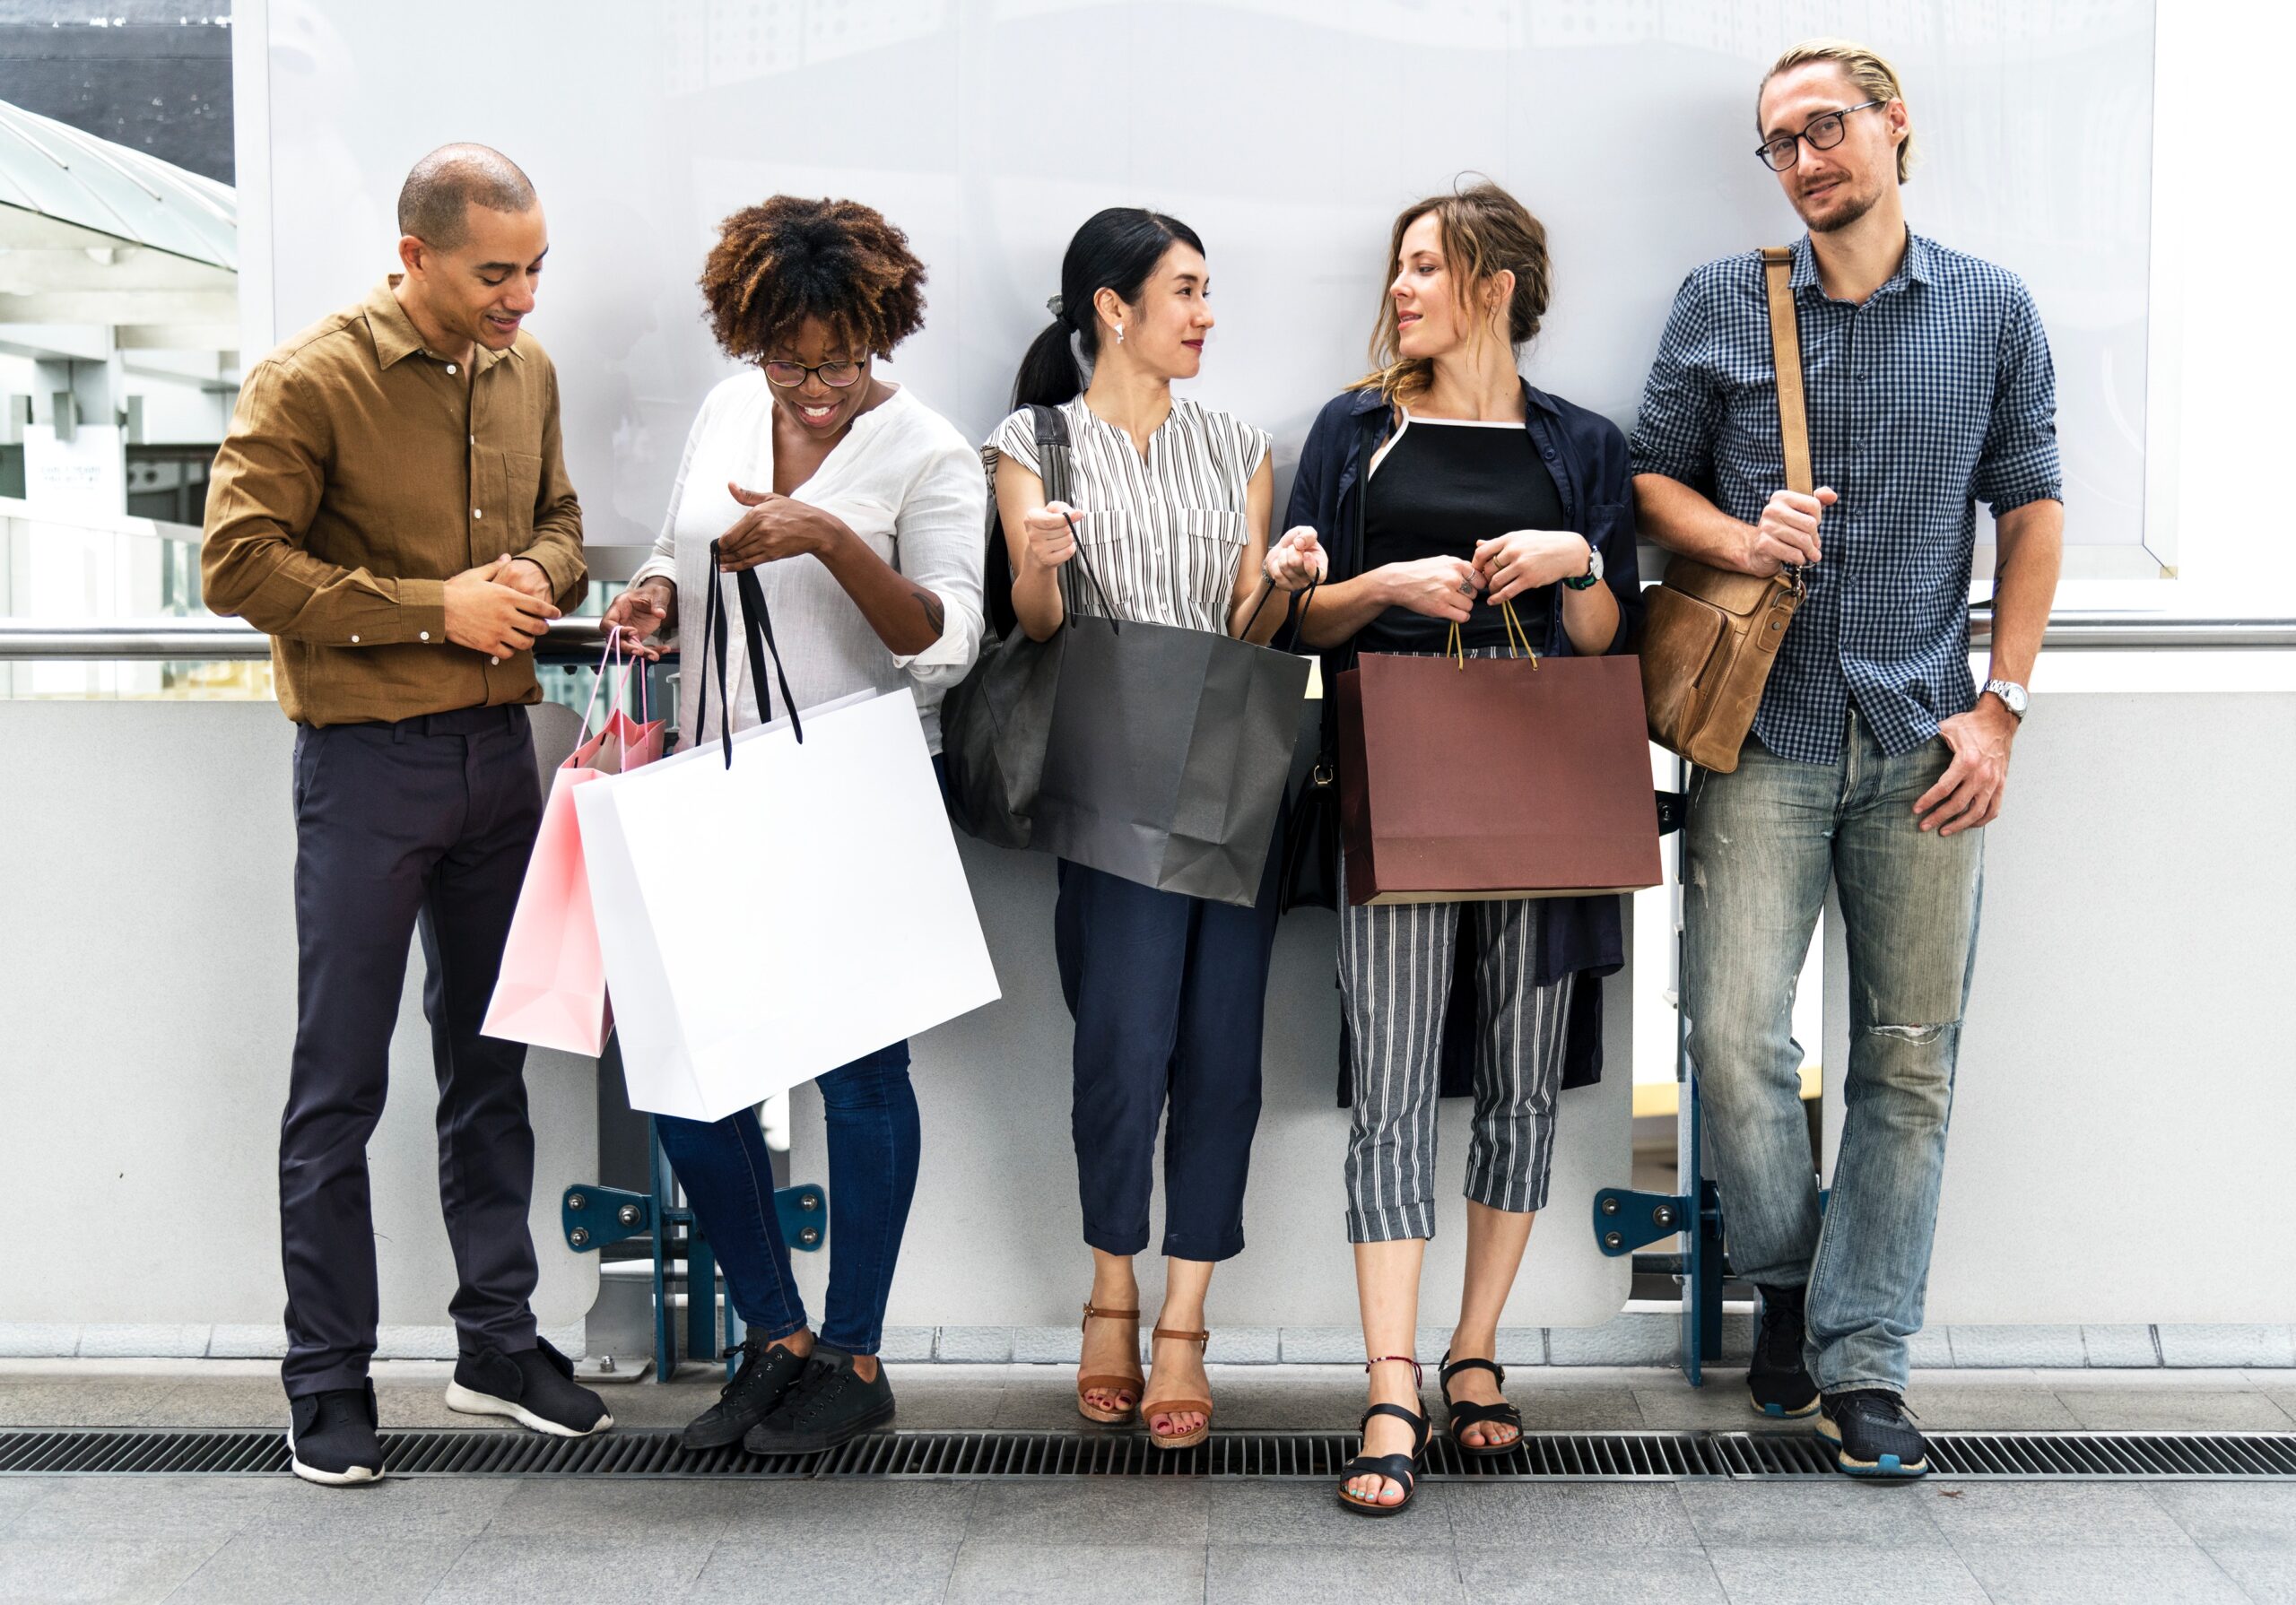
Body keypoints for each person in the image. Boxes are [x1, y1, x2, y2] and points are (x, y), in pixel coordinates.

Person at [1631, 39, 2064, 1479]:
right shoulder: (1721, 303)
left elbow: (2033, 509)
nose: (1807, 158)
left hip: (1926, 733)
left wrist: (2001, 703)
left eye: (1828, 129)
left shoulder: (1992, 309)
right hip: (1760, 730)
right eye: (1781, 142)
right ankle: (1792, 1280)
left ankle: (1862, 1363)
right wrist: (1741, 535)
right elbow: (1648, 480)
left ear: (1894, 129)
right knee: (1735, 1039)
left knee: (1909, 1057)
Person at [202, 143, 610, 1487]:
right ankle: (324, 1378)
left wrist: (534, 578)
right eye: (499, 272)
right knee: (342, 1082)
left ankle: (496, 1340)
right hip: (366, 768)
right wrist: (440, 602)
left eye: (536, 267)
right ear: (415, 253)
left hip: (502, 759)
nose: (525, 297)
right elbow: (238, 563)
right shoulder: (310, 378)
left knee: (492, 1064)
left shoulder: (526, 373)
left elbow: (561, 522)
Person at [1279, 182, 1647, 1514]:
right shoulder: (1353, 430)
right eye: (1399, 267)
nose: (1402, 289)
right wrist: (1383, 586)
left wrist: (1574, 564)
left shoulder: (1583, 444)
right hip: (1397, 783)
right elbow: (1297, 621)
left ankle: (1474, 1348)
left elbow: (1609, 645)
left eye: (1427, 267)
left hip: (1548, 789)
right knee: (1387, 1080)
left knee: (1526, 1078)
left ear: (1494, 284)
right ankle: (1389, 1377)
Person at [601, 195, 985, 1455]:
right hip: (719, 787)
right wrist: (658, 590)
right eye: (788, 360)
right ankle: (778, 1337)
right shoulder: (728, 406)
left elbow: (948, 636)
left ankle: (855, 1353)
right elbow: (675, 542)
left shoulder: (928, 450)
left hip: (853, 797)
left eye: (838, 361)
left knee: (861, 1079)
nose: (813, 387)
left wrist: (824, 533)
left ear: (881, 331)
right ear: (750, 338)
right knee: (690, 1080)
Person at [986, 207, 1318, 1450]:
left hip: (1230, 763)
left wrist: (1282, 576)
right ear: (1110, 307)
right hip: (1110, 762)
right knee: (1120, 1042)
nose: (1205, 314)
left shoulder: (1237, 440)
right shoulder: (1034, 439)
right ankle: (1110, 1292)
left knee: (1222, 1049)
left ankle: (1186, 1316)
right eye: (1184, 290)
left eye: (1208, 290)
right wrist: (1039, 557)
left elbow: (1248, 628)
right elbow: (1037, 623)